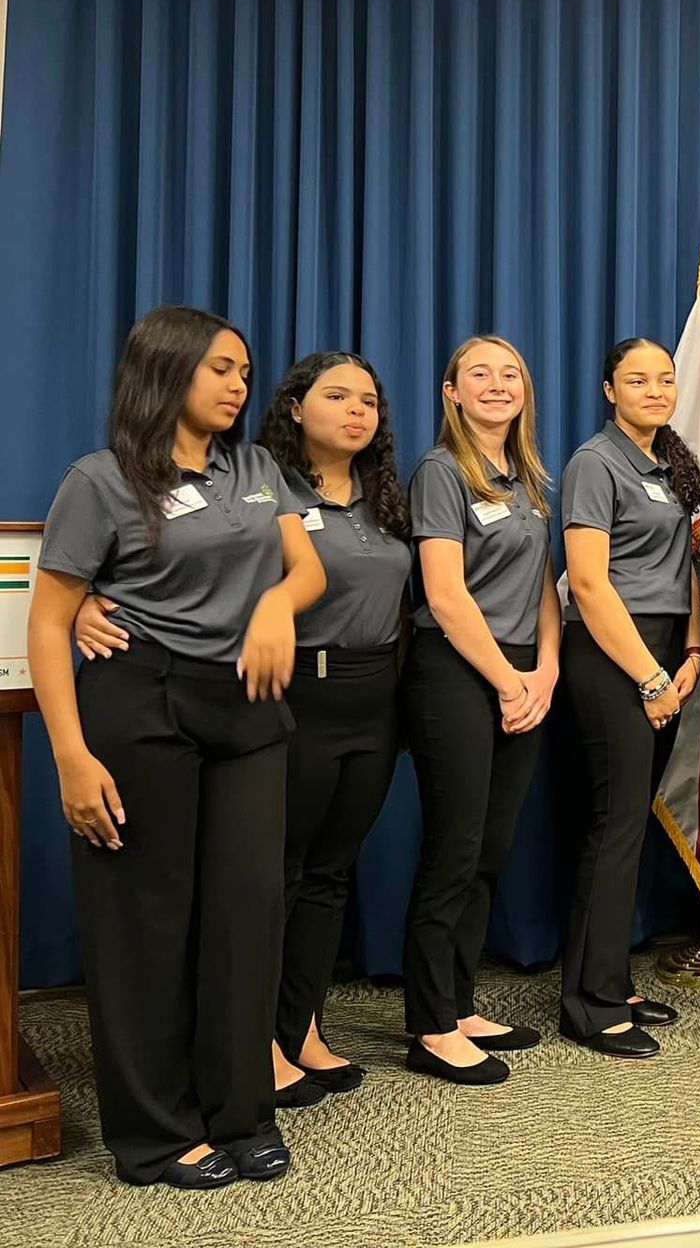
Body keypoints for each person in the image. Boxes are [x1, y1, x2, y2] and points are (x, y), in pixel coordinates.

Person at [27, 306, 326, 1188]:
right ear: (168, 372)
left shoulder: (258, 467)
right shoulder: (100, 479)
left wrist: (276, 604)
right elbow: (51, 625)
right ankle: (155, 1135)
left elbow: (305, 568)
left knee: (244, 912)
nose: (239, 387)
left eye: (244, 372)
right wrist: (71, 757)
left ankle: (238, 1109)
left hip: (246, 706)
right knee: (147, 922)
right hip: (141, 699)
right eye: (221, 370)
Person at [74, 352, 415, 1103]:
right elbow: (175, 570)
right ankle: (250, 1039)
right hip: (285, 692)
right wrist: (82, 604)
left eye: (369, 399)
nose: (357, 410)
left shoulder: (388, 494)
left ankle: (303, 1026)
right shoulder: (257, 481)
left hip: (372, 695)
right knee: (269, 878)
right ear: (294, 406)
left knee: (329, 874)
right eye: (336, 395)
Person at [402, 335, 563, 1085]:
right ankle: (431, 1025)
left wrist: (546, 672)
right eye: (480, 375)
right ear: (451, 393)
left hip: (524, 673)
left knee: (490, 850)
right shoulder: (441, 472)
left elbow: (541, 589)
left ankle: (461, 1002)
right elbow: (443, 593)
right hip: (459, 673)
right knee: (454, 849)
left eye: (510, 375)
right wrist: (506, 680)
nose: (497, 386)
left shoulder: (530, 478)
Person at [558, 338, 700, 1058]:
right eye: (637, 380)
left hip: (665, 649)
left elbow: (687, 569)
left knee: (628, 824)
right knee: (613, 824)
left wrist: (691, 655)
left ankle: (610, 980)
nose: (655, 389)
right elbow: (587, 582)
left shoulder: (668, 463)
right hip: (612, 652)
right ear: (610, 389)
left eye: (666, 379)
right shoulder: (595, 462)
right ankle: (585, 1005)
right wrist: (649, 676)